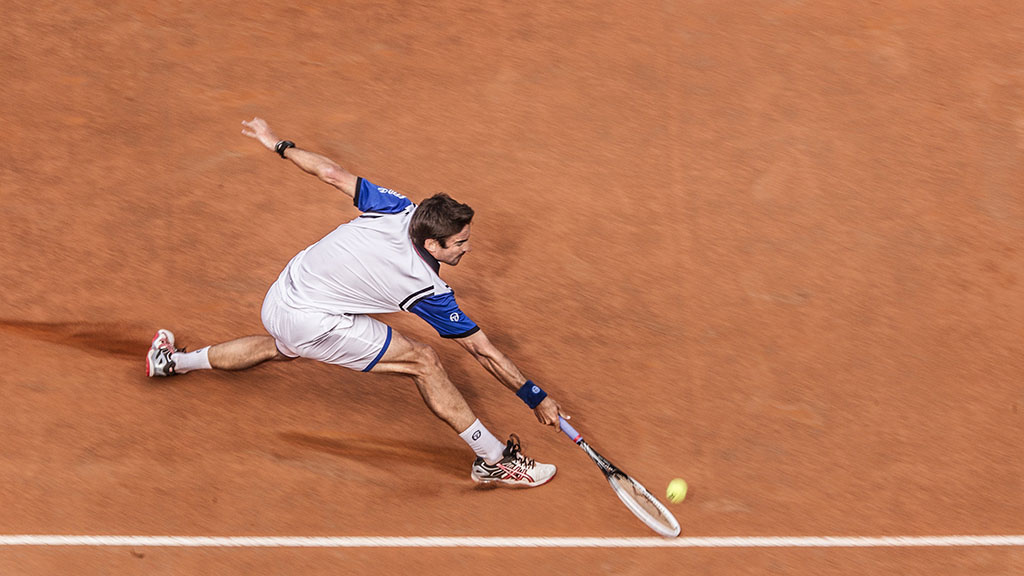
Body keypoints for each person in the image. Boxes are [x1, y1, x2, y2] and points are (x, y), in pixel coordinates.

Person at [146, 117, 566, 487]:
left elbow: (330, 172)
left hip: (282, 294)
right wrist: (536, 397)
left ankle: (172, 363)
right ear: (432, 244)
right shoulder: (425, 288)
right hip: (314, 318)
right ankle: (493, 460)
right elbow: (482, 350)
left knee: (283, 346)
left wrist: (278, 144)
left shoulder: (399, 209)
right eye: (459, 243)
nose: (467, 249)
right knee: (423, 360)